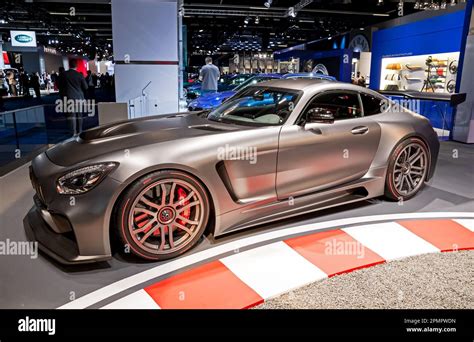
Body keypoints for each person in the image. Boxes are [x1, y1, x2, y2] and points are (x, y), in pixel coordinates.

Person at [64, 59, 88, 135]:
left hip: (69, 97)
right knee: (79, 115)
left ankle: (73, 133)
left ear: (69, 65)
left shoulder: (64, 74)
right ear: (76, 66)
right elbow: (86, 87)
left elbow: (59, 85)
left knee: (72, 116)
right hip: (79, 98)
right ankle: (80, 131)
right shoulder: (79, 75)